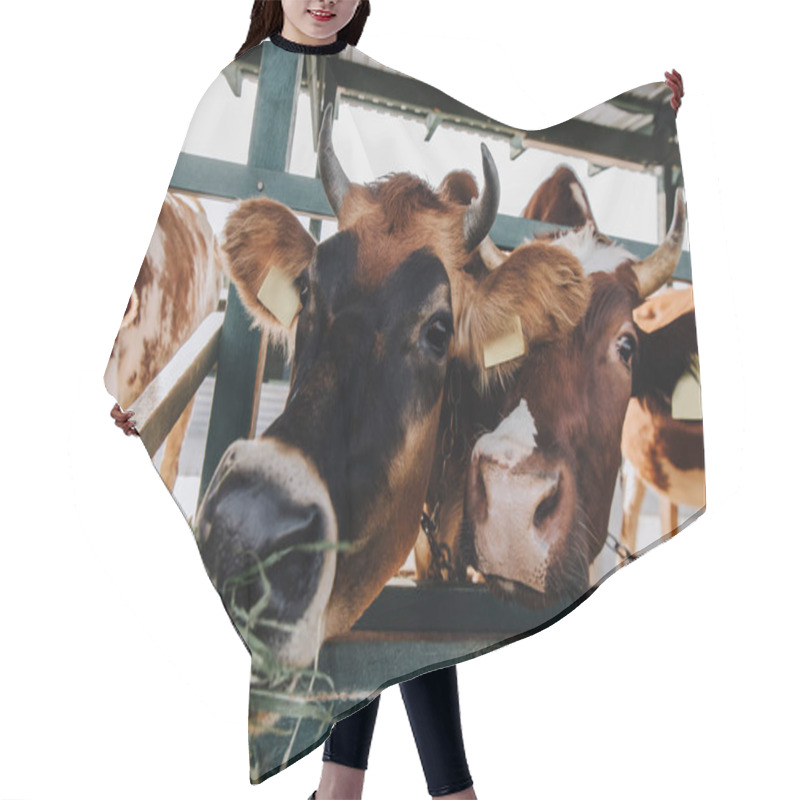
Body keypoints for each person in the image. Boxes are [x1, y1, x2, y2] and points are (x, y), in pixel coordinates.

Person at [109, 3, 685, 798]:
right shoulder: (238, 79)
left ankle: (354, 787)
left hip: (405, 437)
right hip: (332, 444)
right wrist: (134, 383)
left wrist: (653, 115)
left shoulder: (382, 85)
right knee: (376, 576)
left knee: (396, 578)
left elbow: (505, 204)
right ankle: (412, 789)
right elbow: (200, 204)